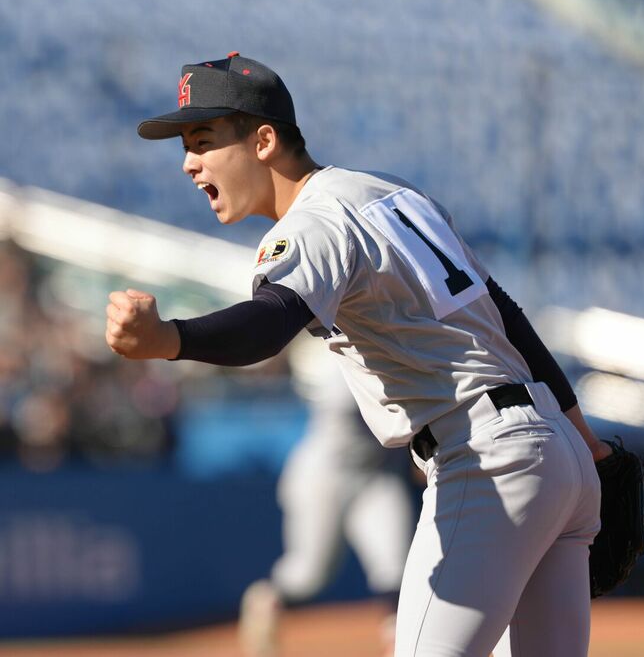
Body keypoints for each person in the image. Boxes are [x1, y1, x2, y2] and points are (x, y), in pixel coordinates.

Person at [105, 51, 611, 657]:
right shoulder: (390, 195)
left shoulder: (316, 220)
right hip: (553, 450)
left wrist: (170, 339)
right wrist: (583, 438)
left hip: (487, 457)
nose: (189, 163)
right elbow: (505, 313)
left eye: (204, 140)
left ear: (263, 140)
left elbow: (270, 322)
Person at [239, 333, 414, 657]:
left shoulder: (405, 351)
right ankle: (266, 599)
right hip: (323, 477)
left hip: (374, 476)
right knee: (308, 576)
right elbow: (382, 415)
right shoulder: (346, 359)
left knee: (397, 566)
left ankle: (399, 643)